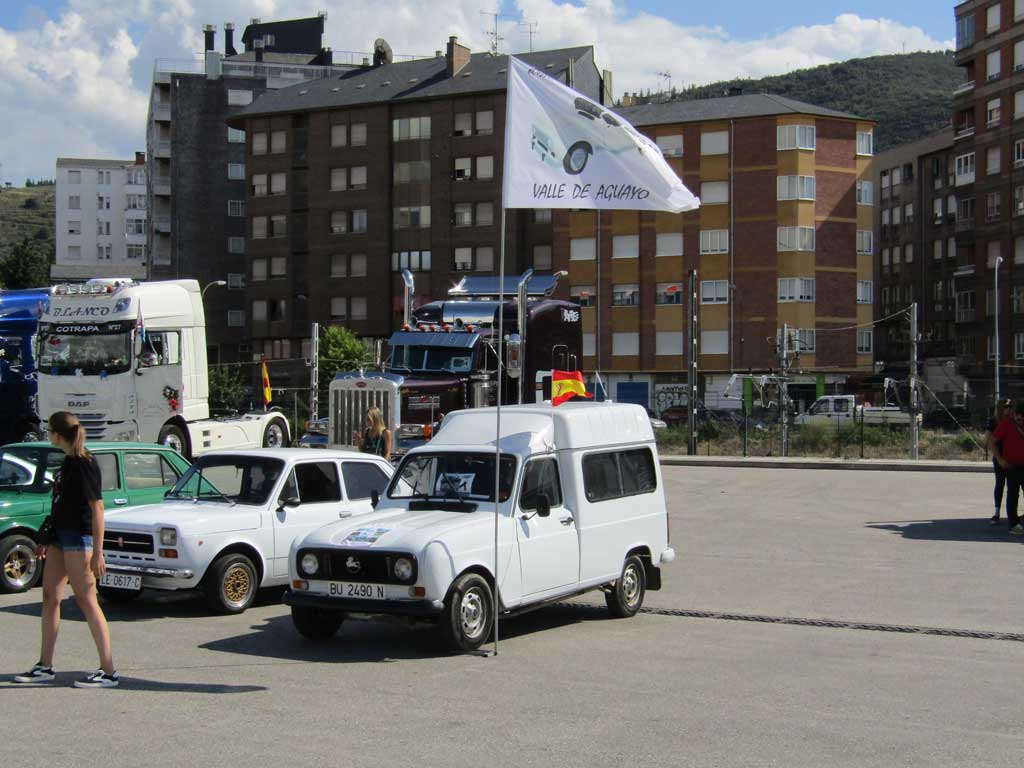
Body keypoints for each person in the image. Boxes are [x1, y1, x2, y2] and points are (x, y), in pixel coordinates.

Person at [13, 412, 118, 688]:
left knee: (86, 600)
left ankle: (108, 672)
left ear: (57, 435)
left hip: (79, 539)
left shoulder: (84, 464)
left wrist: (98, 552)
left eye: (49, 431)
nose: (47, 435)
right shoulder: (68, 462)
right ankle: (45, 665)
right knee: (50, 597)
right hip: (60, 537)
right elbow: (62, 504)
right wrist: (46, 537)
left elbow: (97, 508)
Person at [992, 401, 1024, 535]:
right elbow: (992, 442)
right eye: (1018, 416)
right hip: (1012, 466)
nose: (1020, 419)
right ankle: (1014, 524)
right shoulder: (1006, 424)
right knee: (1013, 494)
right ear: (1014, 414)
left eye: (1023, 417)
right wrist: (1000, 459)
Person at [986, 398, 1012, 525]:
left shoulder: (1013, 421)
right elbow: (987, 438)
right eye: (1007, 406)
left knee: (1013, 486)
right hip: (999, 457)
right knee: (1000, 483)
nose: (1009, 408)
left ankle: (1012, 514)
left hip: (1013, 457)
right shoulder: (993, 421)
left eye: (1010, 406)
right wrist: (998, 457)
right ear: (1001, 407)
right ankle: (996, 512)